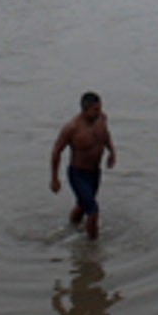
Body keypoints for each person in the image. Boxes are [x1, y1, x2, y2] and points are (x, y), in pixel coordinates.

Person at [50, 91, 117, 238]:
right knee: (93, 211)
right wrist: (55, 179)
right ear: (85, 109)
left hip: (95, 173)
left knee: (83, 205)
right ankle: (92, 249)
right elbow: (56, 151)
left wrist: (111, 151)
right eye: (95, 110)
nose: (99, 112)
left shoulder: (101, 119)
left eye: (100, 108)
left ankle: (72, 227)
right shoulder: (72, 128)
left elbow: (106, 135)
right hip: (78, 174)